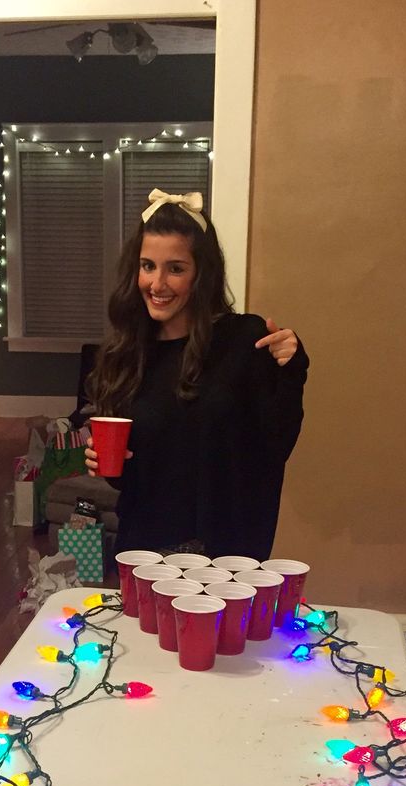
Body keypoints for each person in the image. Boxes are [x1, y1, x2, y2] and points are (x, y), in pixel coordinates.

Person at [84, 188, 308, 561]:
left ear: (201, 273)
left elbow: (276, 442)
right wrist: (108, 463)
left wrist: (292, 369)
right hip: (145, 554)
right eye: (147, 266)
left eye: (175, 268)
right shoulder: (125, 355)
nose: (157, 285)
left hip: (227, 558)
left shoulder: (243, 341)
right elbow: (135, 476)